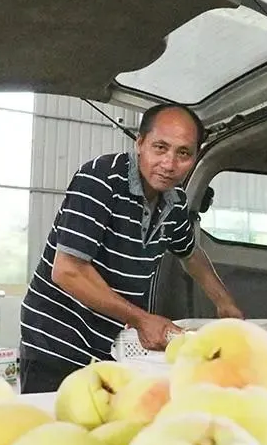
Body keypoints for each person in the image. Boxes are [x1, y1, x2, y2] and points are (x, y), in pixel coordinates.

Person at [18, 103, 244, 393]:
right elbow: (67, 272)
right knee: (53, 429)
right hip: (55, 340)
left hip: (108, 344)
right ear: (140, 143)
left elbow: (190, 254)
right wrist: (140, 319)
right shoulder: (100, 179)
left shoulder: (174, 203)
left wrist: (225, 302)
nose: (169, 164)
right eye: (160, 148)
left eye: (183, 153)